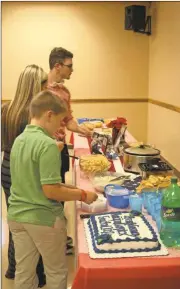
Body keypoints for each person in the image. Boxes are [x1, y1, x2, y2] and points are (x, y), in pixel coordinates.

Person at [7, 90, 98, 289]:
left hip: (16, 216)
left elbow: (31, 181)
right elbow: (50, 191)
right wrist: (83, 194)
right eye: (60, 121)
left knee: (24, 272)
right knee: (56, 272)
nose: (60, 127)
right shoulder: (47, 144)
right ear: (49, 114)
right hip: (43, 219)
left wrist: (69, 187)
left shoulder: (19, 140)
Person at [1, 64, 48, 287]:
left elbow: (3, 144)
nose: (47, 88)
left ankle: (13, 268)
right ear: (34, 86)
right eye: (43, 84)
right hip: (26, 172)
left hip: (7, 168)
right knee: (31, 222)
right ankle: (34, 273)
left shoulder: (6, 109)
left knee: (15, 221)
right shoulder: (33, 114)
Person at [47, 47, 92, 254]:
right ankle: (53, 238)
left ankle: (60, 236)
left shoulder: (64, 92)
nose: (72, 70)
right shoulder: (40, 89)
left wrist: (82, 130)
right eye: (69, 66)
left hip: (60, 147)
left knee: (58, 188)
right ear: (58, 66)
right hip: (46, 148)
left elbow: (68, 120)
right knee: (49, 192)